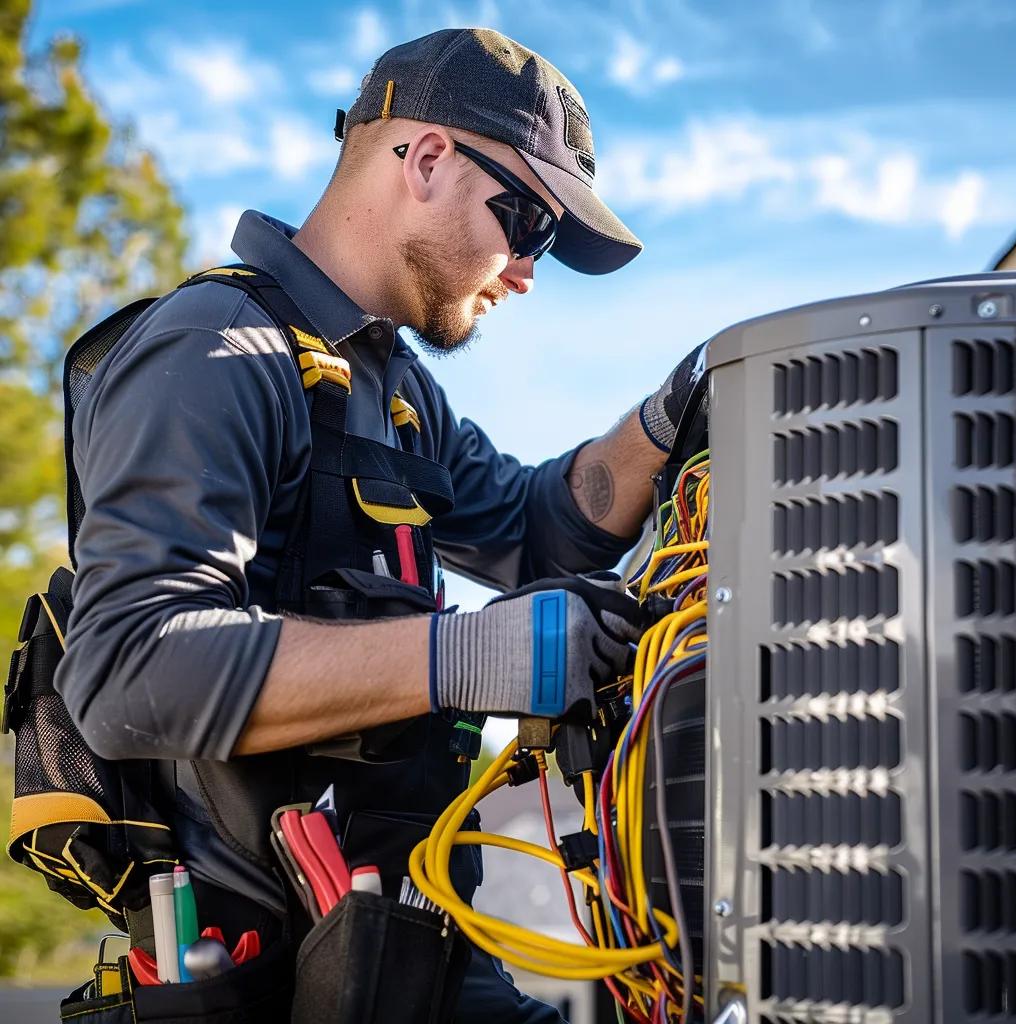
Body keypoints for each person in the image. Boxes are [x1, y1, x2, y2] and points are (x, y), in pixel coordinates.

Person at [55, 27, 703, 1023]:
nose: (529, 271)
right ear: (429, 158)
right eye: (526, 222)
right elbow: (127, 668)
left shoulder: (393, 392)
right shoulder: (212, 355)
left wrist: (669, 417)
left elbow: (540, 529)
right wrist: (473, 654)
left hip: (410, 953)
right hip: (269, 978)